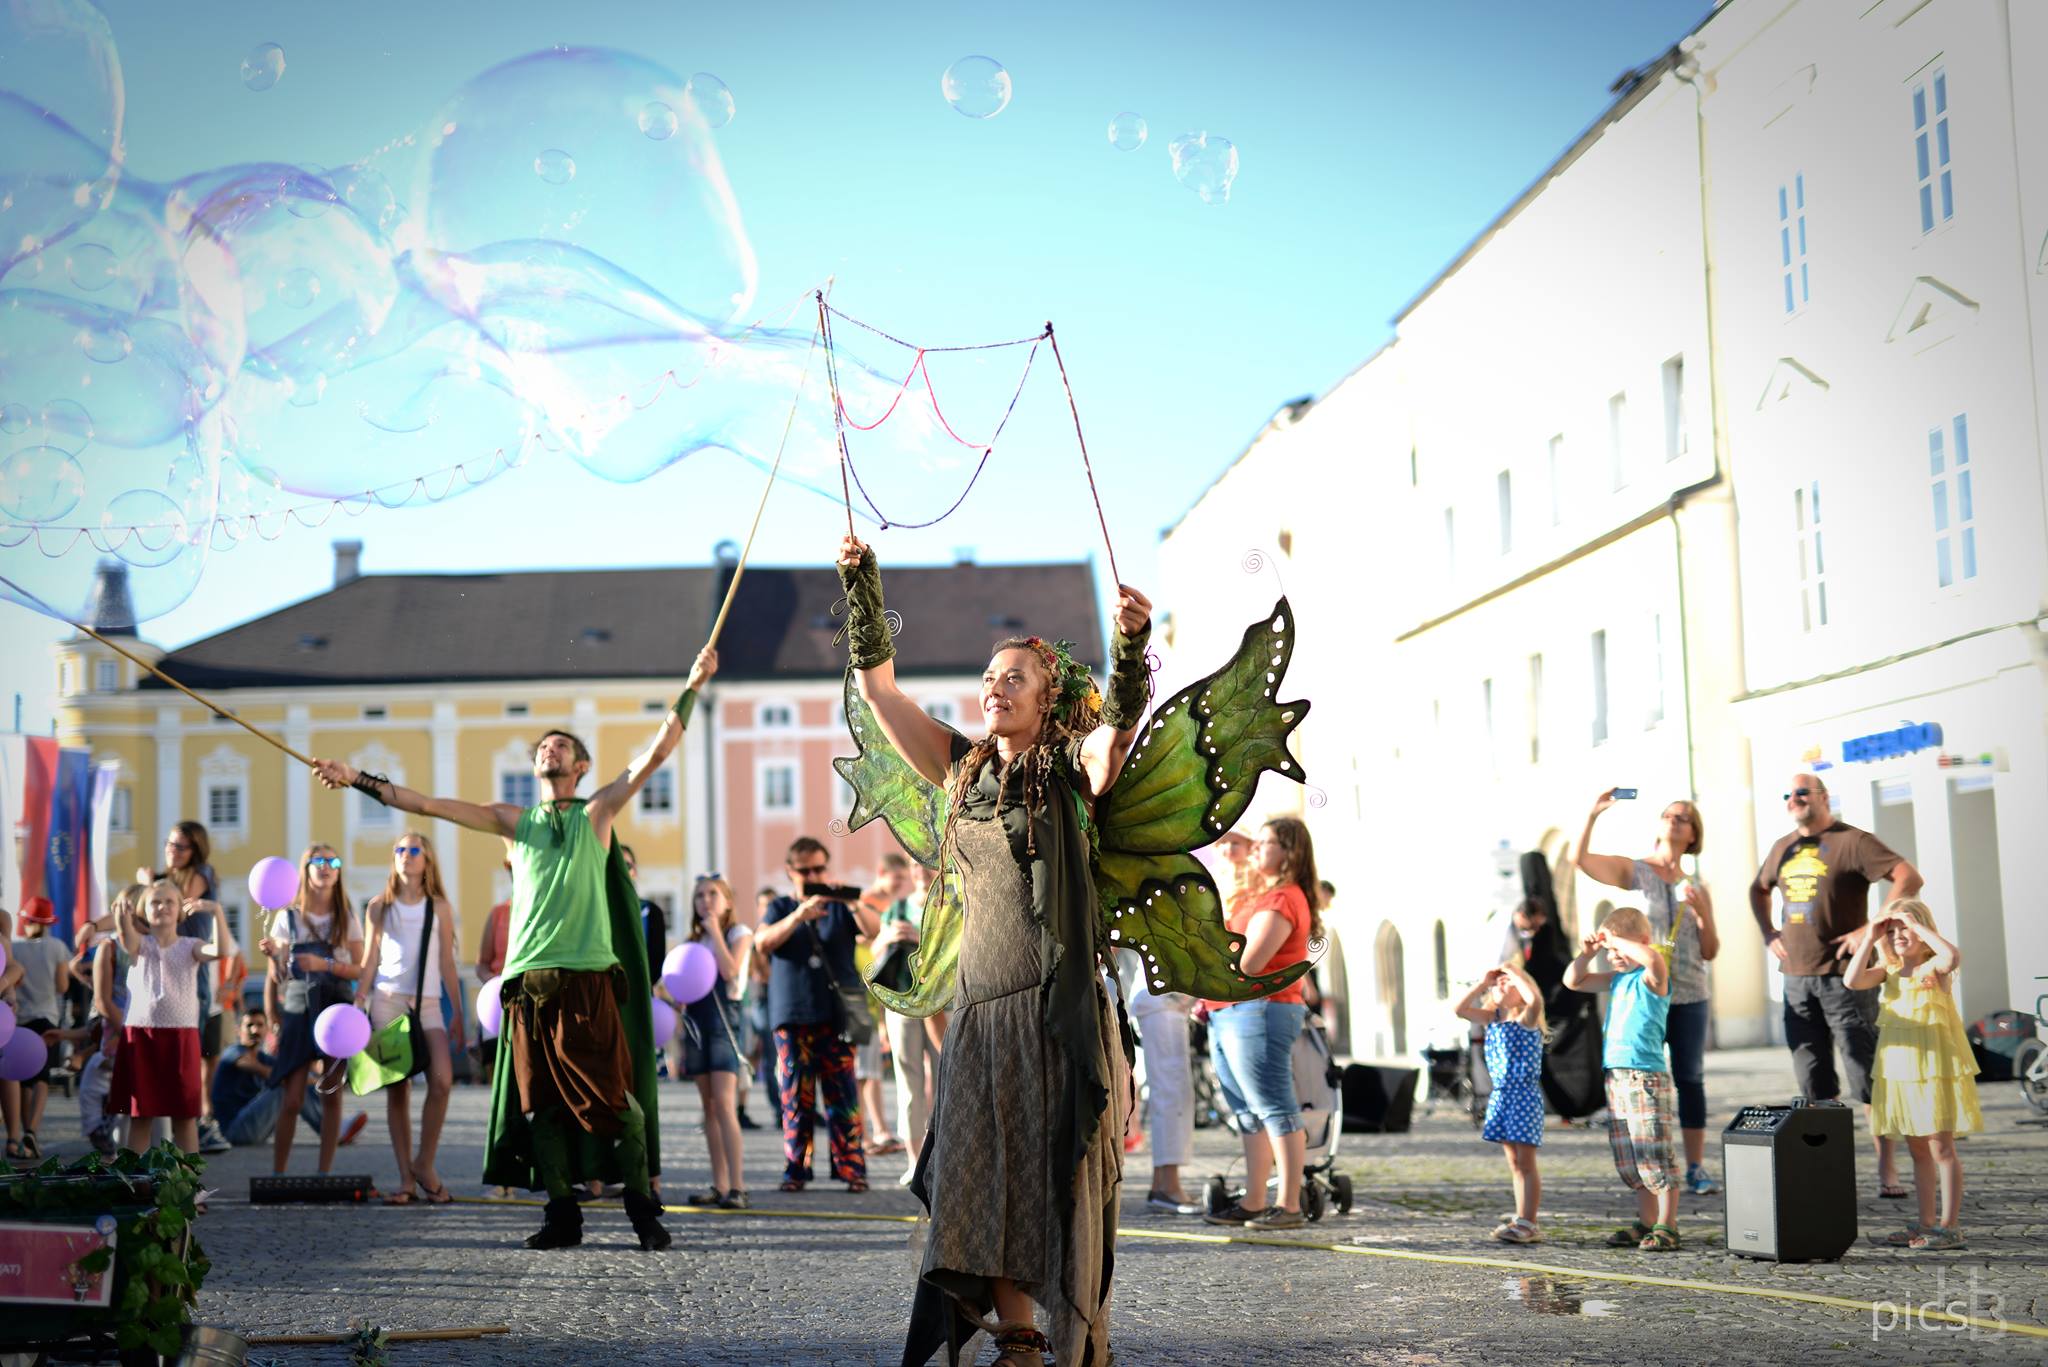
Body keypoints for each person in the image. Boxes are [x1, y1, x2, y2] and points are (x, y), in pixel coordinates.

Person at [838, 531, 1151, 1367]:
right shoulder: (958, 768)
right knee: (979, 1178)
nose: (994, 687)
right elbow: (878, 689)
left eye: (1014, 677)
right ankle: (1018, 1337)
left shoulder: (1069, 769)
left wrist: (1129, 649)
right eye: (988, 677)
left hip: (1054, 1010)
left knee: (1053, 1181)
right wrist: (863, 587)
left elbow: (1116, 739)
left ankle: (1071, 1329)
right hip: (979, 1013)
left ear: (1048, 698)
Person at [313, 645, 716, 1251]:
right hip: (528, 985)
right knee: (541, 1106)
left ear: (580, 764)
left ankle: (640, 1206)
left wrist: (693, 685)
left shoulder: (598, 813)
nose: (550, 750)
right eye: (543, 747)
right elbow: (426, 805)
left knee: (618, 1103)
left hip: (587, 980)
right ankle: (562, 1215)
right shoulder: (513, 822)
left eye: (561, 746)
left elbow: (656, 753)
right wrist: (356, 779)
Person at [1749, 773, 1923, 1199]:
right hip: (1796, 979)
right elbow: (1757, 890)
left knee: (1867, 1074)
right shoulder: (1782, 847)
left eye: (1802, 793)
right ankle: (1825, 1168)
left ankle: (1887, 1168)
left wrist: (1871, 929)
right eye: (1788, 794)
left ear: (1824, 798)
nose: (1793, 799)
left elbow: (1908, 877)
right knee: (1812, 1080)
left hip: (1847, 978)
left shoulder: (1854, 841)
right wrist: (1768, 933)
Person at [1574, 790, 1721, 1194]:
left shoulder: (1697, 885)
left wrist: (1703, 914)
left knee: (1690, 1078)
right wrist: (1593, 815)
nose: (1674, 820)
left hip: (1690, 994)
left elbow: (1710, 950)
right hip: (1645, 992)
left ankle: (1695, 1167)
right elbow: (1581, 861)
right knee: (1645, 1076)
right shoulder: (1638, 872)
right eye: (1668, 814)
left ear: (1693, 834)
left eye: (1683, 817)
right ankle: (1651, 1164)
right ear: (1659, 826)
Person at [1201, 816, 1320, 1231]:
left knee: (1273, 1106)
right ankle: (1253, 1201)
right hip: (1228, 1009)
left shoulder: (1283, 899)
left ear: (1289, 853)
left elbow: (1250, 963)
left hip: (1260, 1008)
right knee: (1247, 1111)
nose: (1255, 848)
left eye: (1265, 843)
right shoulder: (1263, 895)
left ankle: (1289, 1205)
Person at [1845, 899, 1981, 1250]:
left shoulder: (1935, 968)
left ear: (1922, 929)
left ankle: (1950, 1227)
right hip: (1900, 1072)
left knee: (1941, 1148)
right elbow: (1852, 980)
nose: (1899, 935)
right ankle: (1926, 1223)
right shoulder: (1888, 971)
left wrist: (1916, 924)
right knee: (1918, 1149)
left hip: (1934, 1071)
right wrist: (1870, 936)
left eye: (1904, 928)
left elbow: (1952, 956)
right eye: (1892, 931)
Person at [753, 836, 876, 1193]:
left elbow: (873, 930)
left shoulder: (840, 906)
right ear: (790, 871)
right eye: (805, 871)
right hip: (792, 1015)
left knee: (844, 1096)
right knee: (795, 1097)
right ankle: (796, 1169)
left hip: (837, 1016)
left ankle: (852, 1169)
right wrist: (798, 916)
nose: (813, 876)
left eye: (819, 869)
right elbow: (762, 942)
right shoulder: (780, 907)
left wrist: (852, 902)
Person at [357, 830, 466, 1204]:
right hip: (387, 1000)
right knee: (398, 1089)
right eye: (400, 849)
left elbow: (448, 962)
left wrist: (459, 1012)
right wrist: (359, 999)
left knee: (442, 1081)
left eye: (414, 849)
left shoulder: (440, 907)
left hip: (429, 1003)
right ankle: (406, 1180)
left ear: (427, 859)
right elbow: (369, 960)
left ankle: (424, 1164)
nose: (406, 854)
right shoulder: (379, 906)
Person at [1565, 907, 1680, 1251]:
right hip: (1615, 1076)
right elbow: (1573, 981)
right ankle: (1646, 1220)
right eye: (1610, 952)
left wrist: (1615, 940)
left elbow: (1653, 959)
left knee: (1653, 1151)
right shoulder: (1616, 980)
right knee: (1629, 1155)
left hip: (1644, 1076)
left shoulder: (1652, 977)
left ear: (1641, 942)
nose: (1613, 955)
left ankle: (1668, 1224)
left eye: (1618, 949)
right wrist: (1588, 953)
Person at [256, 843, 367, 1174]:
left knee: (332, 1094)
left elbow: (361, 969)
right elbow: (278, 972)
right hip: (298, 1005)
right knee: (292, 1098)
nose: (326, 866)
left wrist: (325, 964)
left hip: (335, 1005)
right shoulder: (288, 916)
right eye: (319, 860)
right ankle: (278, 1173)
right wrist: (273, 957)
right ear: (305, 869)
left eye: (333, 861)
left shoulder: (346, 917)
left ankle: (324, 1173)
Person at [111, 878, 230, 1155]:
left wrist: (216, 911)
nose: (162, 906)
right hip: (142, 1035)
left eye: (169, 902)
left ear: (180, 910)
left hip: (181, 1036)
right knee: (141, 1116)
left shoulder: (191, 945)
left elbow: (220, 951)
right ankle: (136, 1176)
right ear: (144, 910)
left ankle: (188, 1177)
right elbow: (126, 940)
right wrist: (121, 916)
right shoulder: (140, 944)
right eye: (155, 902)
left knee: (185, 1116)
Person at [138, 820, 233, 1155]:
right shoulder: (168, 879)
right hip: (163, 974)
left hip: (192, 972)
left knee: (187, 1062)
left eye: (180, 846)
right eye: (169, 844)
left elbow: (174, 899)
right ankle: (166, 1138)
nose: (172, 851)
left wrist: (149, 886)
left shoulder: (201, 874)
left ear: (196, 849)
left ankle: (197, 1126)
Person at [1456, 959, 1546, 1244]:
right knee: (1514, 1163)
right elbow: (1459, 1010)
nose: (1501, 985)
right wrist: (1483, 983)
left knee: (1527, 1162)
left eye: (1508, 983)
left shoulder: (1527, 1020)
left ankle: (1529, 1222)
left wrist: (1515, 973)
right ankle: (1521, 1217)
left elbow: (1535, 1001)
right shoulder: (1492, 1019)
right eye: (1498, 983)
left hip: (1523, 1096)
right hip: (1502, 1096)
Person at [677, 876, 752, 1208]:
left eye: (712, 894)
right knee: (707, 1106)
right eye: (699, 896)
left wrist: (715, 932)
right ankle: (719, 1184)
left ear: (727, 901)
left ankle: (738, 1186)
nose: (705, 900)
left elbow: (730, 971)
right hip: (697, 1022)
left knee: (724, 1103)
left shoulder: (739, 933)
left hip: (724, 1022)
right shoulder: (693, 941)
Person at [876, 857, 948, 1185]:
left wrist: (919, 938)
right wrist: (889, 937)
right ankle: (914, 1161)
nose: (921, 870)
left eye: (927, 863)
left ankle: (942, 1158)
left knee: (944, 1077)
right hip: (902, 1001)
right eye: (915, 864)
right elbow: (876, 949)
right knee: (908, 1082)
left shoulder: (949, 903)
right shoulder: (897, 908)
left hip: (941, 1002)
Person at [858, 853, 914, 1158]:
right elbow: (867, 943)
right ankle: (864, 1134)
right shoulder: (865, 903)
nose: (900, 884)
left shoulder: (893, 904)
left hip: (883, 989)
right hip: (863, 988)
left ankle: (879, 1129)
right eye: (897, 878)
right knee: (863, 1069)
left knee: (873, 1068)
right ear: (881, 872)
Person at [1128, 967, 1198, 1214]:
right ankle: (1168, 1185)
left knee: (1172, 1091)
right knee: (1171, 1092)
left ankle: (1163, 1184)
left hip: (1165, 997)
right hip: (1162, 996)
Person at [5, 896, 69, 1161]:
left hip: (18, 1019)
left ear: (26, 920)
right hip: (47, 1018)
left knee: (22, 1078)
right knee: (42, 1077)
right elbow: (62, 986)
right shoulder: (57, 947)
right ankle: (32, 1130)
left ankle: (21, 1135)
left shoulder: (15, 948)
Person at [476, 863, 512, 1090]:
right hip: (499, 1003)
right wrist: (496, 984)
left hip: (533, 997)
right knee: (499, 1072)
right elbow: (481, 964)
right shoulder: (499, 913)